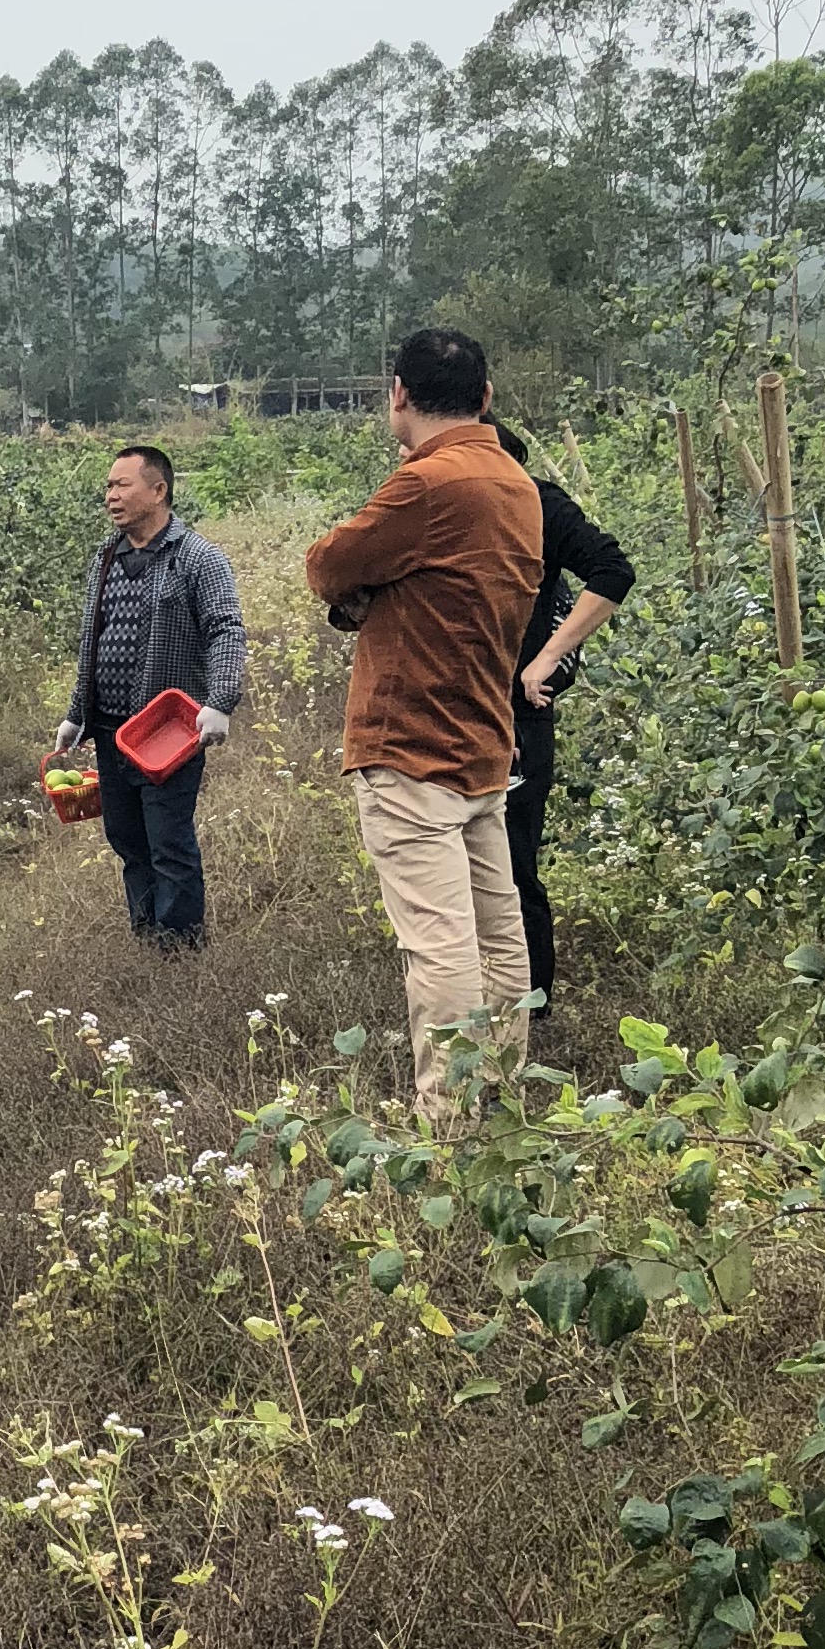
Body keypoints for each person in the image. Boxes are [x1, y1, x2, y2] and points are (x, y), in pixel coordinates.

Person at [302, 328, 546, 1126]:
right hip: (482, 741)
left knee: (439, 949)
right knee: (498, 937)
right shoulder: (514, 483)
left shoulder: (428, 484)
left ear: (398, 394)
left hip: (411, 747)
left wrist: (367, 592)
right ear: (485, 397)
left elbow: (329, 565)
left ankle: (449, 1123)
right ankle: (501, 1102)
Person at [49, 442, 247, 948]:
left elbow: (225, 629)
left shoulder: (198, 558)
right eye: (108, 486)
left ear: (158, 491)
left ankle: (179, 948)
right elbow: (92, 640)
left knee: (168, 841)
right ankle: (146, 936)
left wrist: (220, 700)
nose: (110, 496)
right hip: (110, 730)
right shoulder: (107, 557)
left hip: (167, 732)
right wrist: (77, 714)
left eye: (122, 485)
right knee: (127, 839)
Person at [493, 422, 635, 1011]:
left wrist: (548, 656)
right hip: (454, 711)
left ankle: (532, 1005)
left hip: (519, 714)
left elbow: (612, 570)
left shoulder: (536, 504)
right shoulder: (434, 505)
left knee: (512, 862)